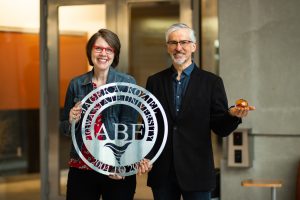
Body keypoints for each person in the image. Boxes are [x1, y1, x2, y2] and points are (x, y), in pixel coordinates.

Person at [145, 23, 255, 200]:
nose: (178, 48)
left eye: (184, 42)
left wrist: (231, 115)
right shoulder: (154, 82)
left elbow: (221, 128)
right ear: (167, 47)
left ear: (193, 46)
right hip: (162, 170)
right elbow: (150, 125)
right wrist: (146, 156)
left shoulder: (212, 82)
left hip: (197, 171)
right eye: (173, 43)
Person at [60, 29, 141, 200]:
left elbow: (128, 127)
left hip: (115, 167)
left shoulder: (127, 83)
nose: (103, 53)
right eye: (98, 48)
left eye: (109, 49)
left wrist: (123, 164)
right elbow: (64, 127)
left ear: (114, 54)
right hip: (82, 167)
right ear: (90, 52)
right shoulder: (76, 84)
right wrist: (71, 120)